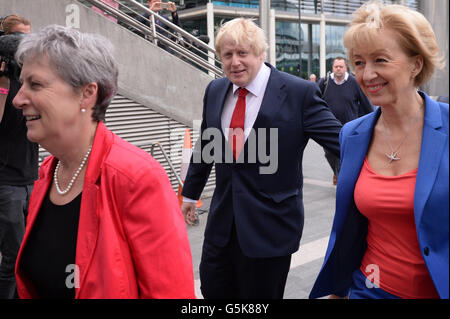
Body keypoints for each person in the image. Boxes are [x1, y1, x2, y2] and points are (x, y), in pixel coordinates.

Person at [12, 25, 195, 299]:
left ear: (87, 94)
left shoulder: (136, 177)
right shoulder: (47, 173)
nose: (17, 99)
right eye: (21, 83)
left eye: (35, 84)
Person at [181, 18, 341, 299]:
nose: (235, 62)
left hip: (270, 230)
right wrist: (190, 194)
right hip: (221, 227)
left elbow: (341, 141)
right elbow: (207, 144)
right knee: (212, 291)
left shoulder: (298, 92)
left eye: (242, 53)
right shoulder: (216, 90)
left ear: (260, 53)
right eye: (227, 55)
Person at [310, 1, 448, 299]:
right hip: (369, 290)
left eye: (380, 60)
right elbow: (350, 225)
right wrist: (339, 288)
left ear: (416, 64)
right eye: (359, 62)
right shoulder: (353, 134)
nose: (367, 74)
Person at [0, 14, 35, 299]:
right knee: (12, 259)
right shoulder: (3, 78)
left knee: (30, 253)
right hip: (6, 181)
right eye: (19, 39)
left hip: (31, 177)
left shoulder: (30, 79)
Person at [318, 57, 373, 184]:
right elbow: (315, 100)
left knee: (346, 155)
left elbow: (365, 104)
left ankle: (341, 178)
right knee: (329, 154)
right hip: (328, 127)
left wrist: (370, 120)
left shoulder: (354, 83)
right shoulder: (324, 82)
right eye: (336, 66)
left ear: (345, 68)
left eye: (341, 66)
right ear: (332, 68)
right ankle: (337, 173)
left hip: (349, 127)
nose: (338, 69)